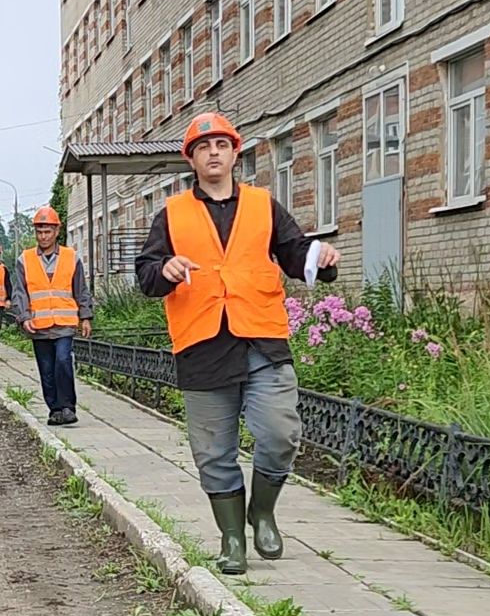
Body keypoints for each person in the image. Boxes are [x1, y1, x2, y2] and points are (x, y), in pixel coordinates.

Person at [134, 112, 340, 575]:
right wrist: (164, 270)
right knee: (213, 451)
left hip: (261, 340)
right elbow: (146, 274)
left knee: (280, 433)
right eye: (203, 147)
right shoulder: (171, 214)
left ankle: (262, 512)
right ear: (191, 159)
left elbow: (295, 253)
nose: (213, 152)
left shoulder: (263, 205)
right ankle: (232, 539)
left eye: (221, 145)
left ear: (234, 153)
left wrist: (322, 259)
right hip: (202, 346)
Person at [7, 205, 92, 426]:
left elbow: (81, 288)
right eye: (39, 231)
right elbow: (20, 292)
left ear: (57, 232)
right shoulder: (24, 260)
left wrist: (86, 316)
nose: (43, 236)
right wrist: (24, 317)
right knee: (46, 369)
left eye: (48, 231)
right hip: (39, 324)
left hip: (64, 324)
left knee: (63, 362)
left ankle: (67, 407)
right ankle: (54, 409)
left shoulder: (71, 257)